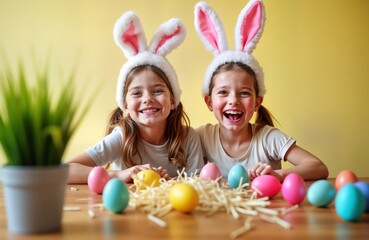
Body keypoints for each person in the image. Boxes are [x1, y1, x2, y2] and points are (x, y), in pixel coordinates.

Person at [194, 0, 328, 182]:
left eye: (244, 93)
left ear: (257, 102)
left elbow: (319, 167)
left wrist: (277, 175)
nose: (233, 100)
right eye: (223, 92)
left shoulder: (268, 138)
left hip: (265, 210)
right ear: (209, 102)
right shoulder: (201, 137)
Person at [68, 11, 204, 184]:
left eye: (157, 91)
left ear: (172, 100)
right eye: (137, 93)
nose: (147, 99)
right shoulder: (122, 137)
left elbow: (198, 187)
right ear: (125, 105)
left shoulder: (189, 138)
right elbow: (65, 170)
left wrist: (168, 183)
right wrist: (119, 175)